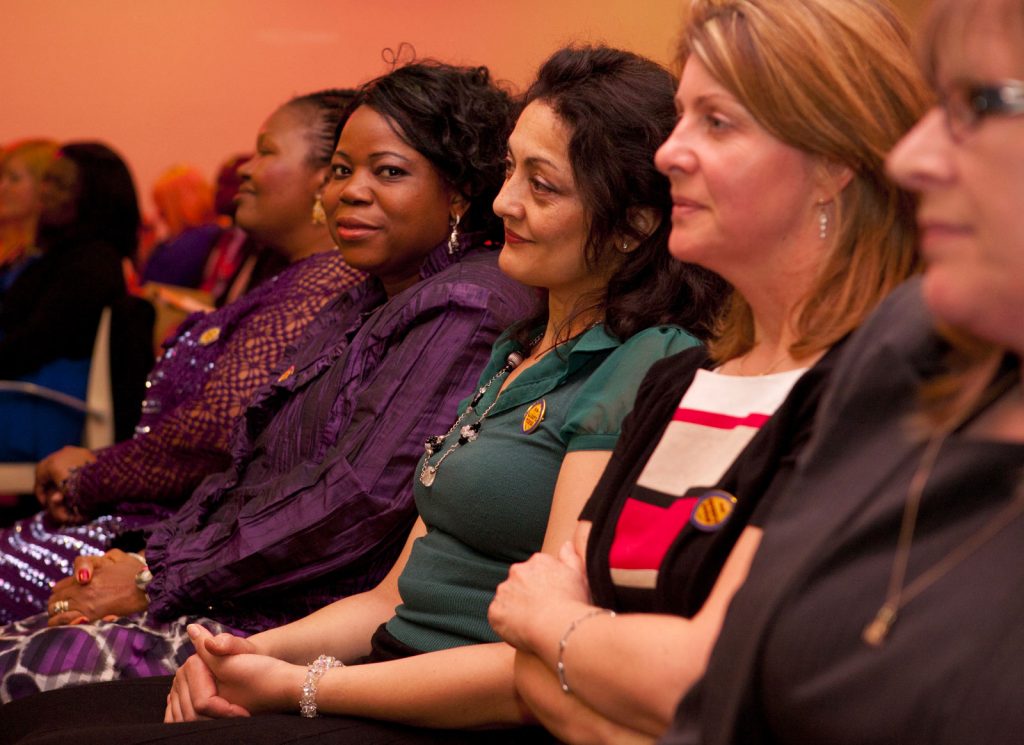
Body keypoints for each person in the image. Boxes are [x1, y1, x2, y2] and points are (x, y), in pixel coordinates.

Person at [0, 46, 724, 743]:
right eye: (509, 170)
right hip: (376, 657)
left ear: (634, 225)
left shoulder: (629, 356)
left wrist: (295, 679)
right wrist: (244, 657)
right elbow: (394, 596)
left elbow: (537, 657)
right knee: (31, 718)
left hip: (445, 703)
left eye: (542, 184)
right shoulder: (519, 343)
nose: (503, 201)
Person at [0, 59, 535, 704]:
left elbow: (356, 497)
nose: (350, 191)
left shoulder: (466, 304)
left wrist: (154, 576)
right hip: (226, 589)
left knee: (21, 673)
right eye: (341, 170)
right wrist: (151, 560)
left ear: (459, 192)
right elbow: (248, 467)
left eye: (388, 171)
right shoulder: (366, 294)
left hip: (295, 631)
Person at [486, 1, 930, 742]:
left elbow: (701, 674)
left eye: (716, 122)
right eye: (682, 116)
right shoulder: (681, 379)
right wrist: (582, 647)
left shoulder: (874, 385)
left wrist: (563, 625)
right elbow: (528, 664)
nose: (668, 154)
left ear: (833, 165)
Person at [655, 0, 1024, 742]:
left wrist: (565, 639)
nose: (910, 159)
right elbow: (720, 699)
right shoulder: (906, 346)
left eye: (975, 104)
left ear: (830, 166)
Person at [0, 89, 366, 624]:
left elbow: (218, 430)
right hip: (160, 523)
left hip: (169, 541)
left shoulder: (328, 279)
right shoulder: (294, 278)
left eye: (265, 151)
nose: (245, 168)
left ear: (324, 178)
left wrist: (92, 475)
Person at [0, 142, 139, 462]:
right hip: (26, 398)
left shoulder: (91, 262)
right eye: (45, 180)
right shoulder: (63, 255)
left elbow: (34, 344)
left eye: (59, 183)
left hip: (40, 411)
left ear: (92, 195)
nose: (44, 192)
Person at [139, 164, 223, 288]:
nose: (158, 214)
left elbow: (152, 286)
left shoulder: (188, 244)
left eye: (161, 206)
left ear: (175, 207)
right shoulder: (219, 234)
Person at [0, 138, 57, 290]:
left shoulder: (50, 258)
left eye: (14, 179)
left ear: (43, 186)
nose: (2, 188)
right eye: (1, 177)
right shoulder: (10, 249)